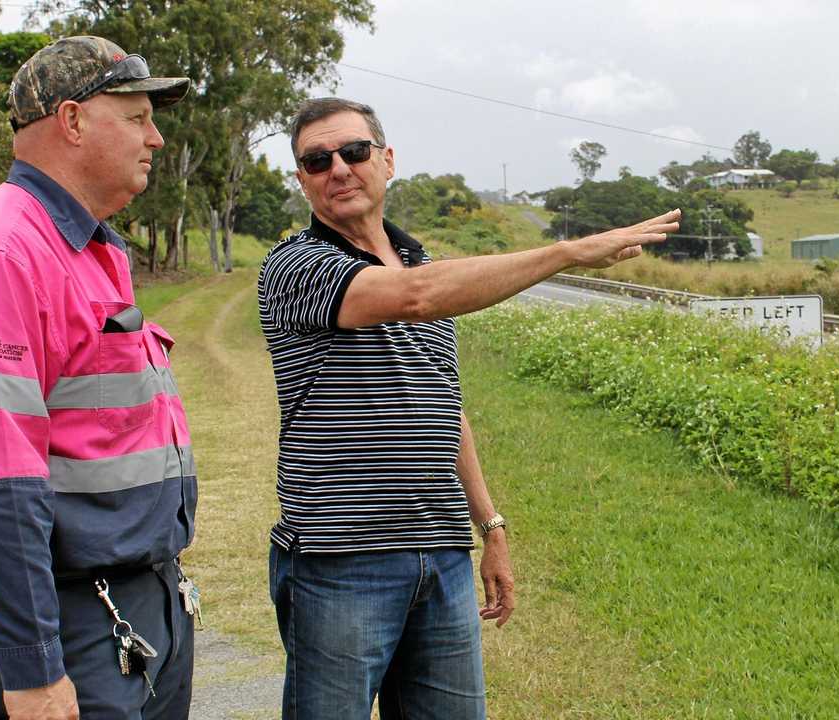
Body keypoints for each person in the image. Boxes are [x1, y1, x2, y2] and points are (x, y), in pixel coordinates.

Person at [257, 96, 679, 719]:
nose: (338, 169)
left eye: (353, 151)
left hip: (443, 554)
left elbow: (443, 404)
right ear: (302, 181)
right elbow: (416, 298)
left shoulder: (421, 260)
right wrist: (565, 253)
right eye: (317, 161)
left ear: (388, 160)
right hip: (342, 558)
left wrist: (490, 527)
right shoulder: (297, 265)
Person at [0, 36, 199, 720]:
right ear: (71, 121)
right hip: (70, 628)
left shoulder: (88, 246)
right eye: (135, 116)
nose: (154, 137)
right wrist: (34, 669)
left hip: (134, 610)